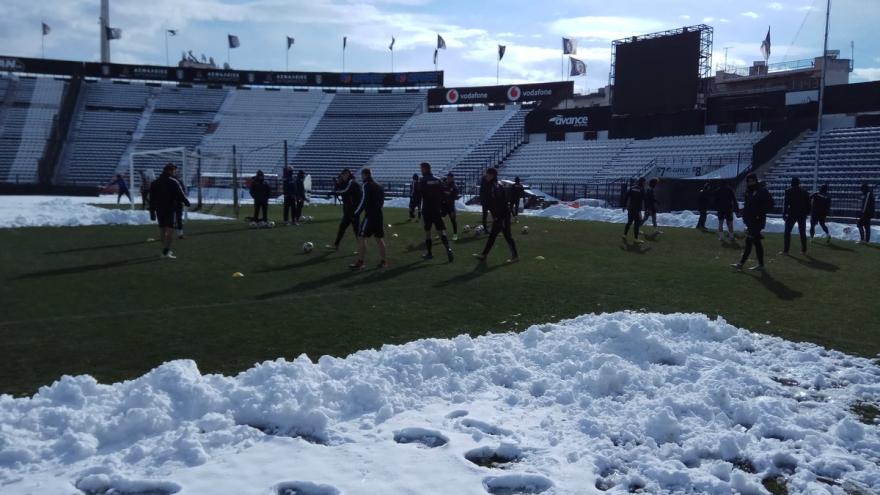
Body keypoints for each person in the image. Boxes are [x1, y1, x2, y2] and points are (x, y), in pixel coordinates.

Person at [474, 167, 518, 263]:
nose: (486, 176)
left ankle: (515, 256)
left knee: (506, 235)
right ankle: (484, 255)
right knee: (493, 235)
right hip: (499, 214)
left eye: (488, 174)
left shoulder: (495, 186)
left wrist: (497, 216)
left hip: (502, 215)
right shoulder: (491, 185)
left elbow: (499, 203)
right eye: (486, 174)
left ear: (492, 175)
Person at [732, 173, 774, 271]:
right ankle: (761, 265)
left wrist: (760, 213)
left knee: (749, 241)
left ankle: (741, 264)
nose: (750, 183)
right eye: (748, 181)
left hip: (757, 221)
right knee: (756, 242)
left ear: (755, 180)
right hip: (750, 221)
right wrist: (743, 212)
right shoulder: (748, 192)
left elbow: (770, 205)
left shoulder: (762, 191)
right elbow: (749, 206)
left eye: (752, 181)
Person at [149, 163, 190, 259]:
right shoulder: (173, 181)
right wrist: (187, 203)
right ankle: (166, 252)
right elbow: (181, 194)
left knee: (162, 230)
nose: (174, 172)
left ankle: (165, 250)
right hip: (170, 209)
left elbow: (152, 199)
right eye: (174, 170)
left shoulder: (155, 182)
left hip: (159, 210)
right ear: (170, 171)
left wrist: (152, 212)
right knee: (170, 230)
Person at [415, 162, 454, 262]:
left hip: (427, 209)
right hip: (436, 209)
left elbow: (419, 194)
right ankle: (448, 249)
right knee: (441, 231)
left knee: (428, 232)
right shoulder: (438, 180)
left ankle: (429, 253)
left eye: (421, 168)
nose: (421, 170)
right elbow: (445, 194)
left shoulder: (422, 180)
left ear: (424, 169)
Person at [350, 168, 387, 269]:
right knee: (379, 239)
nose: (361, 177)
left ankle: (361, 262)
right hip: (379, 215)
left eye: (362, 175)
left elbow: (364, 201)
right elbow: (382, 201)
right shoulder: (379, 185)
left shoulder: (366, 185)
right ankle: (384, 262)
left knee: (362, 238)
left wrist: (356, 213)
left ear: (365, 175)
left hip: (370, 216)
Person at [326, 168, 362, 251]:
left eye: (344, 175)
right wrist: (337, 184)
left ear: (348, 174)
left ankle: (362, 248)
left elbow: (345, 191)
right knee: (342, 228)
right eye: (342, 175)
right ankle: (336, 245)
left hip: (354, 211)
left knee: (357, 231)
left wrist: (333, 192)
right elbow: (339, 189)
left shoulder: (352, 182)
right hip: (347, 211)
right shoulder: (345, 183)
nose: (342, 176)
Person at [782, 177, 811, 255]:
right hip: (802, 214)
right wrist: (806, 213)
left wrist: (784, 213)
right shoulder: (804, 191)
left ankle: (786, 250)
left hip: (792, 213)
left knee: (787, 232)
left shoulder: (788, 191)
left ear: (792, 183)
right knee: (802, 232)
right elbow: (809, 204)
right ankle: (804, 250)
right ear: (799, 183)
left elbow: (786, 203)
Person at [622, 177, 646, 243]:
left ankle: (624, 235)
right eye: (644, 182)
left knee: (629, 222)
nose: (645, 183)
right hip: (637, 209)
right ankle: (636, 238)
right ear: (643, 182)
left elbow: (626, 196)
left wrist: (624, 205)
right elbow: (645, 199)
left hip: (630, 208)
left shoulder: (632, 188)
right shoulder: (642, 189)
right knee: (636, 223)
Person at [441, 172, 461, 241]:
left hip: (450, 206)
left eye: (450, 178)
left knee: (453, 220)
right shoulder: (444, 184)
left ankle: (455, 234)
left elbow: (455, 195)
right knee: (440, 219)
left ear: (452, 178)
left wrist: (449, 194)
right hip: (443, 205)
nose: (448, 179)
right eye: (448, 178)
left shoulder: (454, 186)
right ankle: (442, 232)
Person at [173, 168, 187, 239]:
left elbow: (183, 192)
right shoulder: (171, 181)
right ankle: (179, 234)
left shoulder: (180, 182)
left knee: (178, 218)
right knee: (176, 218)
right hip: (173, 203)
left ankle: (180, 234)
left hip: (177, 203)